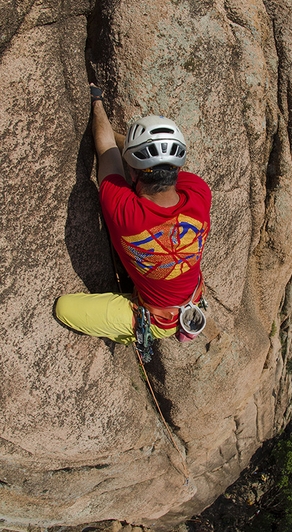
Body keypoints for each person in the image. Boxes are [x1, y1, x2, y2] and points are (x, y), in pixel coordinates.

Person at [56, 85, 211, 353]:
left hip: (158, 319)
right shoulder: (199, 192)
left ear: (132, 171)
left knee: (64, 309)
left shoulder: (121, 209)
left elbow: (106, 148)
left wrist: (97, 102)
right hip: (192, 297)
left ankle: (128, 333)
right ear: (178, 168)